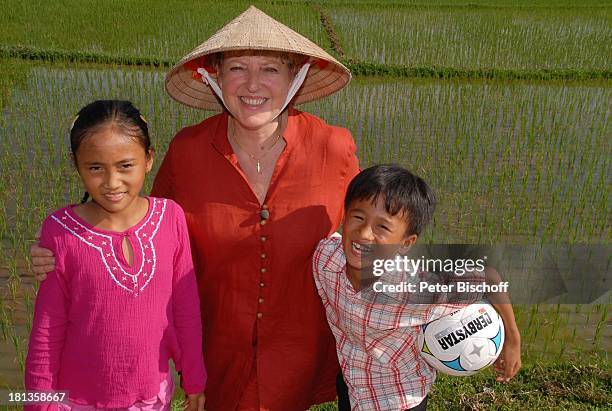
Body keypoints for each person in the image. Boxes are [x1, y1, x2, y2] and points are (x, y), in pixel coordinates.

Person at [30, 7, 360, 410]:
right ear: (215, 77)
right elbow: (139, 225)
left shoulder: (335, 147)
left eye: (271, 69)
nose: (253, 84)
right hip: (210, 359)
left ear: (295, 77)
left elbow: (373, 235)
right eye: (237, 67)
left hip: (298, 358)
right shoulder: (187, 152)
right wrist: (60, 249)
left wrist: (445, 285)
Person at [25, 100, 206, 411]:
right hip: (77, 401)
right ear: (76, 164)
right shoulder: (60, 231)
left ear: (149, 159)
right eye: (95, 168)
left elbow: (185, 308)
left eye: (125, 165)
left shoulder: (170, 218)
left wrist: (195, 382)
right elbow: (47, 331)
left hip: (152, 398)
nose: (111, 183)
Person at [313, 165, 522, 410]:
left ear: (405, 243)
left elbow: (489, 277)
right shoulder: (326, 258)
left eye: (383, 227)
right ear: (344, 216)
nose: (364, 233)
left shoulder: (415, 287)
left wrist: (513, 339)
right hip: (352, 385)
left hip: (399, 397)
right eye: (358, 217)